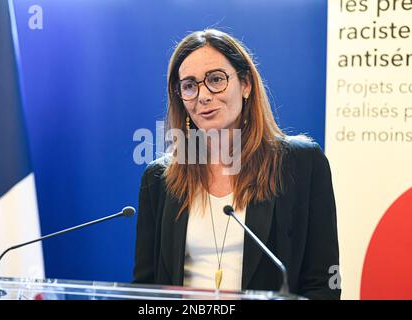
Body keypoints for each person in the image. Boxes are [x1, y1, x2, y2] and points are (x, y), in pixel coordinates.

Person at [133, 29, 340, 300]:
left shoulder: (301, 164)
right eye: (189, 85)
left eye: (216, 79)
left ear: (245, 84)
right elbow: (144, 290)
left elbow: (323, 285)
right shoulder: (159, 178)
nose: (203, 95)